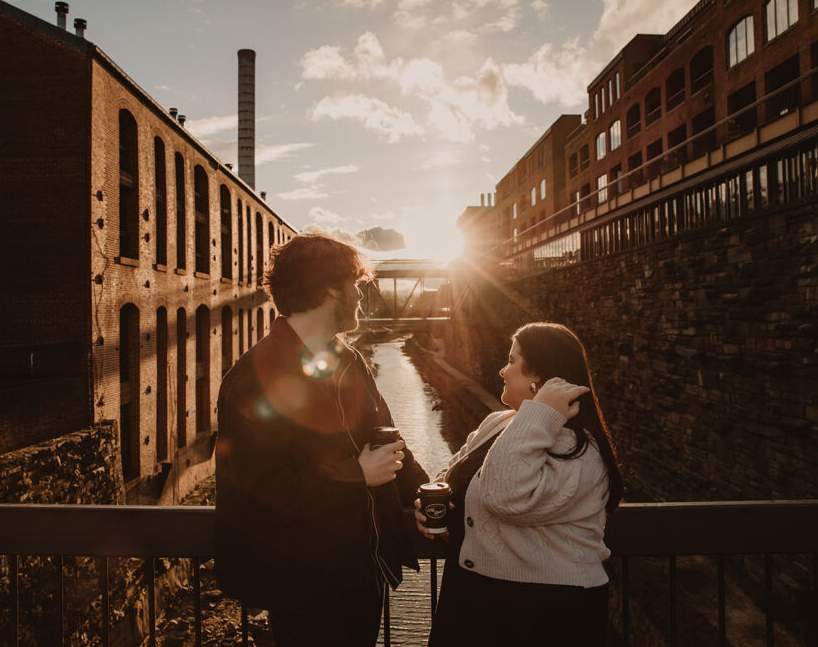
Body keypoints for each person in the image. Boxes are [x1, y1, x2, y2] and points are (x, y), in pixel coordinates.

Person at [214, 233, 429, 647]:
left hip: (360, 574)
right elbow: (262, 489)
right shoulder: (255, 379)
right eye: (356, 284)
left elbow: (387, 439)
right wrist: (356, 476)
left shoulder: (348, 360)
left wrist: (429, 494)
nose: (361, 297)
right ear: (331, 288)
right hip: (304, 587)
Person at [417, 322, 624, 646]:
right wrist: (431, 507)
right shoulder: (499, 424)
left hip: (543, 615)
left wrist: (539, 413)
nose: (502, 371)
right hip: (475, 601)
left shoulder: (581, 451)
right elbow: (450, 478)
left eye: (512, 361)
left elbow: (504, 497)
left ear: (539, 379)